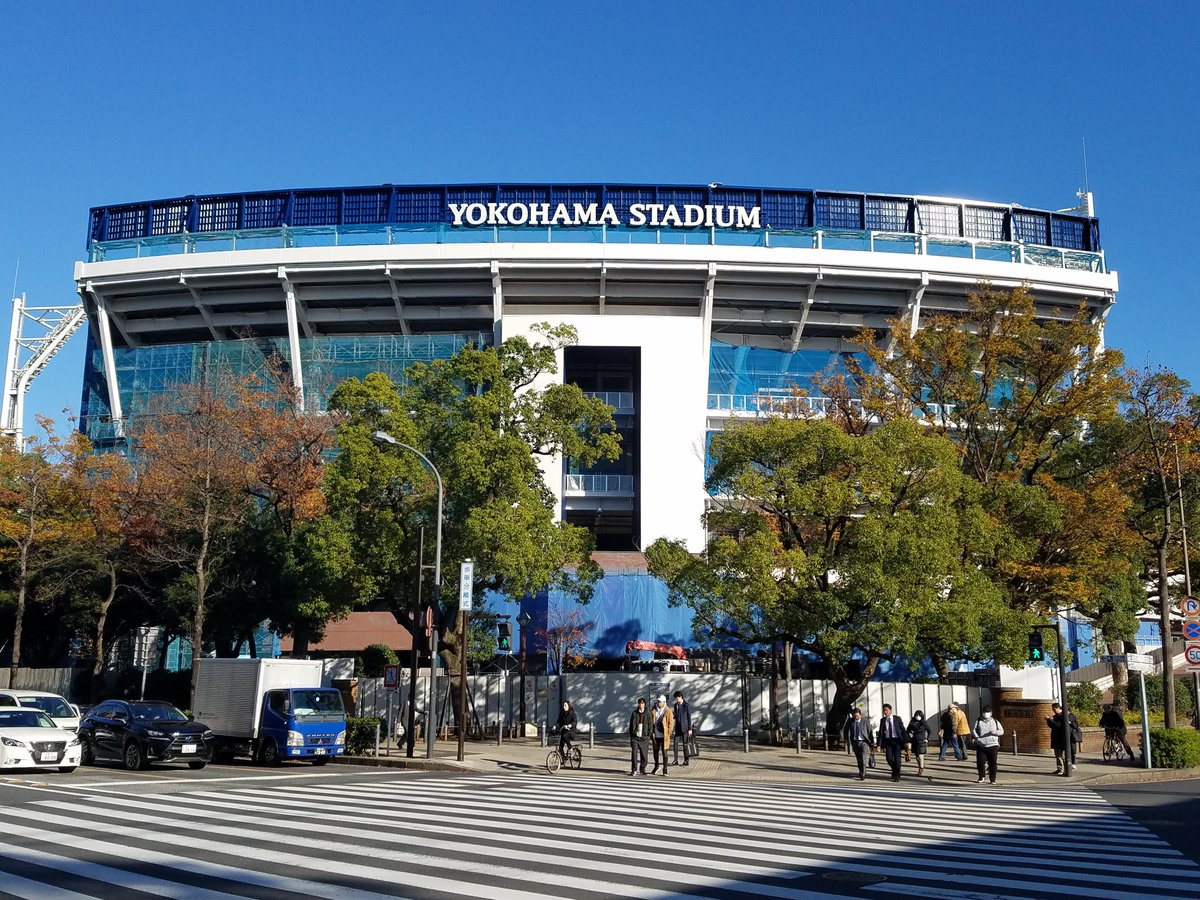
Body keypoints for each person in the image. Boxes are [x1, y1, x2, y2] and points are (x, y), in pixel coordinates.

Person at [972, 706, 1004, 784]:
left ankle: (992, 779)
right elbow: (974, 730)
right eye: (985, 712)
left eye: (988, 712)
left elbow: (1002, 731)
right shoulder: (978, 721)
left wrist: (995, 732)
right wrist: (977, 738)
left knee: (993, 762)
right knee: (980, 762)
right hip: (981, 745)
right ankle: (981, 776)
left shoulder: (995, 721)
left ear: (991, 713)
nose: (986, 714)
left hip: (993, 745)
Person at [1046, 702, 1078, 775]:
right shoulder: (1055, 716)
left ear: (1057, 708)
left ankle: (1065, 770)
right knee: (1058, 755)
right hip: (1056, 738)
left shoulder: (1063, 716)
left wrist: (1050, 720)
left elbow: (1058, 725)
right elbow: (1053, 726)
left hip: (1061, 738)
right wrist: (1048, 720)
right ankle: (1059, 769)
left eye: (1054, 709)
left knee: (1062, 756)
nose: (1053, 711)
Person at [877, 703, 907, 782]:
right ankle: (895, 770)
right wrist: (879, 745)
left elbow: (903, 730)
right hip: (888, 742)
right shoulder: (883, 720)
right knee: (889, 759)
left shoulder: (897, 719)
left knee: (897, 760)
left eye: (886, 710)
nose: (885, 712)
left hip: (897, 741)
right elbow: (880, 733)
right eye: (884, 711)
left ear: (890, 710)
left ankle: (897, 775)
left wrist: (906, 741)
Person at [842, 707, 874, 780]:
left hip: (864, 742)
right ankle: (861, 770)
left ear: (860, 715)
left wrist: (871, 743)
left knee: (863, 758)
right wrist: (846, 738)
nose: (856, 717)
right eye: (855, 716)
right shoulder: (850, 721)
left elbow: (869, 732)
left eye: (857, 716)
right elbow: (846, 729)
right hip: (855, 742)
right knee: (858, 759)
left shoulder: (865, 721)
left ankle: (863, 773)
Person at [650, 695, 674, 776]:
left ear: (664, 702)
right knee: (655, 752)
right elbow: (651, 721)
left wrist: (669, 732)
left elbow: (671, 723)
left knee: (665, 753)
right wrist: (651, 731)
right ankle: (656, 766)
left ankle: (665, 769)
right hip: (655, 735)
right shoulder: (654, 710)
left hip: (664, 736)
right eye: (658, 701)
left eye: (660, 701)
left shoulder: (668, 711)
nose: (658, 703)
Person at [628, 697, 651, 776]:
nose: (641, 705)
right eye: (639, 703)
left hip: (644, 737)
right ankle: (634, 769)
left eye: (642, 703)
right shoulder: (634, 713)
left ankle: (642, 769)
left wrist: (648, 735)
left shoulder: (648, 713)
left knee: (644, 754)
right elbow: (631, 725)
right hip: (635, 737)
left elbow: (650, 725)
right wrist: (631, 734)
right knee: (634, 753)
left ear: (644, 704)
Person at [906, 710, 932, 776]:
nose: (917, 717)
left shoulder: (924, 723)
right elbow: (908, 729)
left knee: (921, 756)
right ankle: (920, 765)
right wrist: (909, 734)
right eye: (916, 715)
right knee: (917, 757)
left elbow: (929, 731)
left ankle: (921, 768)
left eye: (919, 716)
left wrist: (927, 738)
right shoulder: (912, 722)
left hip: (922, 741)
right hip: (914, 740)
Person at [672, 690, 693, 767]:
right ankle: (675, 760)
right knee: (675, 744)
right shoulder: (675, 705)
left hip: (685, 728)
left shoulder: (686, 705)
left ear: (680, 697)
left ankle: (686, 760)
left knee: (685, 745)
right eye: (675, 699)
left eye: (677, 698)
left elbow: (689, 717)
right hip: (677, 728)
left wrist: (690, 729)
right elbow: (675, 716)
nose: (676, 700)